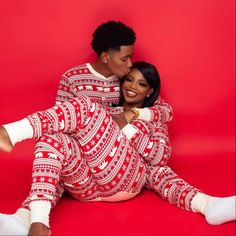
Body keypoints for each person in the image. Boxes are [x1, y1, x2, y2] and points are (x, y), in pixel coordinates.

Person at [0, 62, 235, 236]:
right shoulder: (110, 108)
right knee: (52, 138)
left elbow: (160, 158)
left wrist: (128, 128)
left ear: (150, 91)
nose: (132, 87)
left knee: (84, 106)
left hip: (126, 181)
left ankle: (11, 132)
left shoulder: (155, 115)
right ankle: (32, 222)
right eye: (129, 79)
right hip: (87, 186)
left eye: (141, 83)